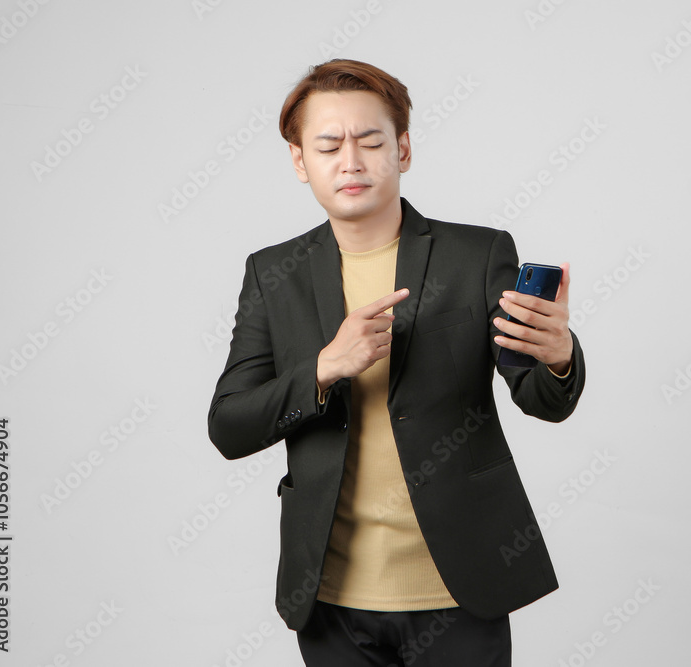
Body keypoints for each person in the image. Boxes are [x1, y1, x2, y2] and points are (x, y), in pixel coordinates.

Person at [208, 58, 586, 666]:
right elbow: (229, 426)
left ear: (403, 149)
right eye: (328, 145)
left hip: (460, 586)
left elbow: (542, 398)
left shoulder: (477, 253)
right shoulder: (271, 274)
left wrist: (558, 358)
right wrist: (325, 367)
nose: (351, 161)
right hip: (329, 598)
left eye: (371, 141)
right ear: (301, 161)